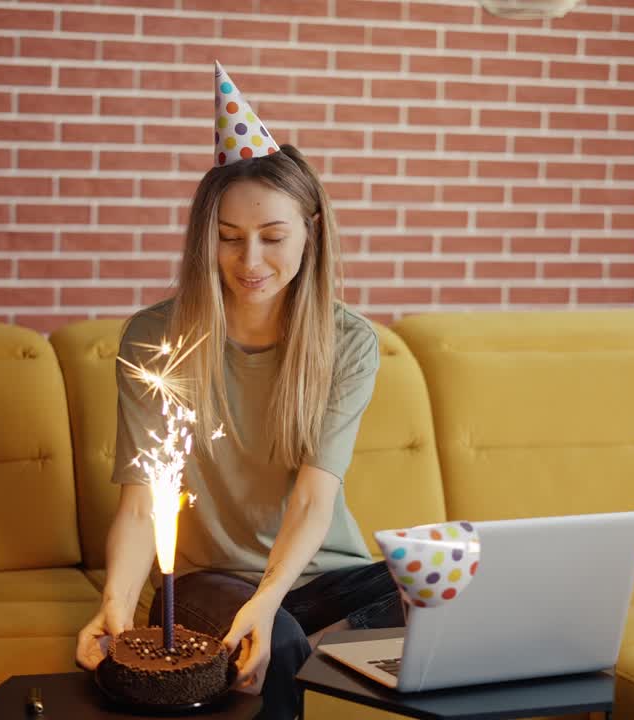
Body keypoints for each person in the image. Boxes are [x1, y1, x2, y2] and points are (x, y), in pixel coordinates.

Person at [74, 62, 402, 719]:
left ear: (311, 231)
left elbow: (315, 496)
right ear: (206, 240)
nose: (250, 262)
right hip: (206, 580)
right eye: (228, 239)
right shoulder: (154, 337)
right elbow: (142, 505)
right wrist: (114, 601)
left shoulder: (350, 342)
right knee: (274, 641)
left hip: (327, 574)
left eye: (273, 238)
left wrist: (274, 591)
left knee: (450, 597)